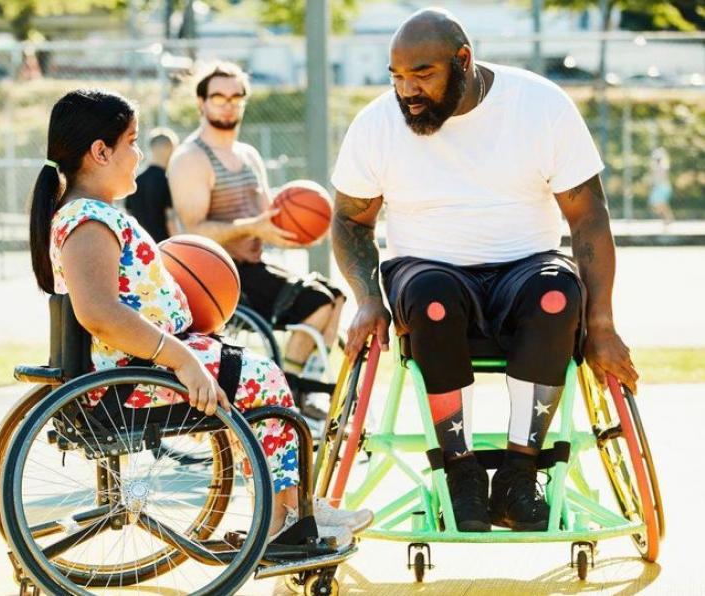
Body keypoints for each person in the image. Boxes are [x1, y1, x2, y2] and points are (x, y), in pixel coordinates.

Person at [330, 9, 638, 533]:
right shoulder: (378, 123)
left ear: (463, 61)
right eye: (397, 77)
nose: (408, 91)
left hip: (525, 265)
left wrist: (603, 325)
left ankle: (521, 474)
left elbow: (587, 216)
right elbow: (349, 218)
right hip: (426, 268)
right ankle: (460, 471)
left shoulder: (539, 105)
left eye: (422, 75)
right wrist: (366, 298)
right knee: (432, 297)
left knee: (558, 295)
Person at [27, 88, 371, 543]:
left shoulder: (88, 214)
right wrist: (183, 359)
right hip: (133, 379)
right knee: (264, 381)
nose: (137, 153)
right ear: (100, 152)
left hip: (138, 369)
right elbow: (100, 313)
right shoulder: (88, 219)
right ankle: (284, 519)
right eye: (131, 142)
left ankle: (295, 506)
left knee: (255, 376)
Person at [167, 62, 346, 420]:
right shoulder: (192, 158)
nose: (228, 104)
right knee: (316, 304)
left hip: (256, 266)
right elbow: (194, 229)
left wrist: (296, 232)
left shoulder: (248, 155)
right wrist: (254, 227)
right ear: (201, 102)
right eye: (218, 96)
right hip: (219, 274)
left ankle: (300, 381)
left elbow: (268, 217)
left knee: (336, 297)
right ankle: (291, 391)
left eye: (236, 97)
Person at [123, 127, 179, 242]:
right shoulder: (168, 181)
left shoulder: (135, 181)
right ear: (171, 149)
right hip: (164, 246)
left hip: (140, 246)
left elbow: (128, 213)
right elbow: (171, 219)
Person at [648, 146, 674, 230]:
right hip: (658, 188)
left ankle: (667, 220)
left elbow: (660, 178)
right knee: (659, 205)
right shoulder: (655, 167)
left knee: (661, 205)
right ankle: (667, 219)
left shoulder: (663, 167)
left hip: (662, 187)